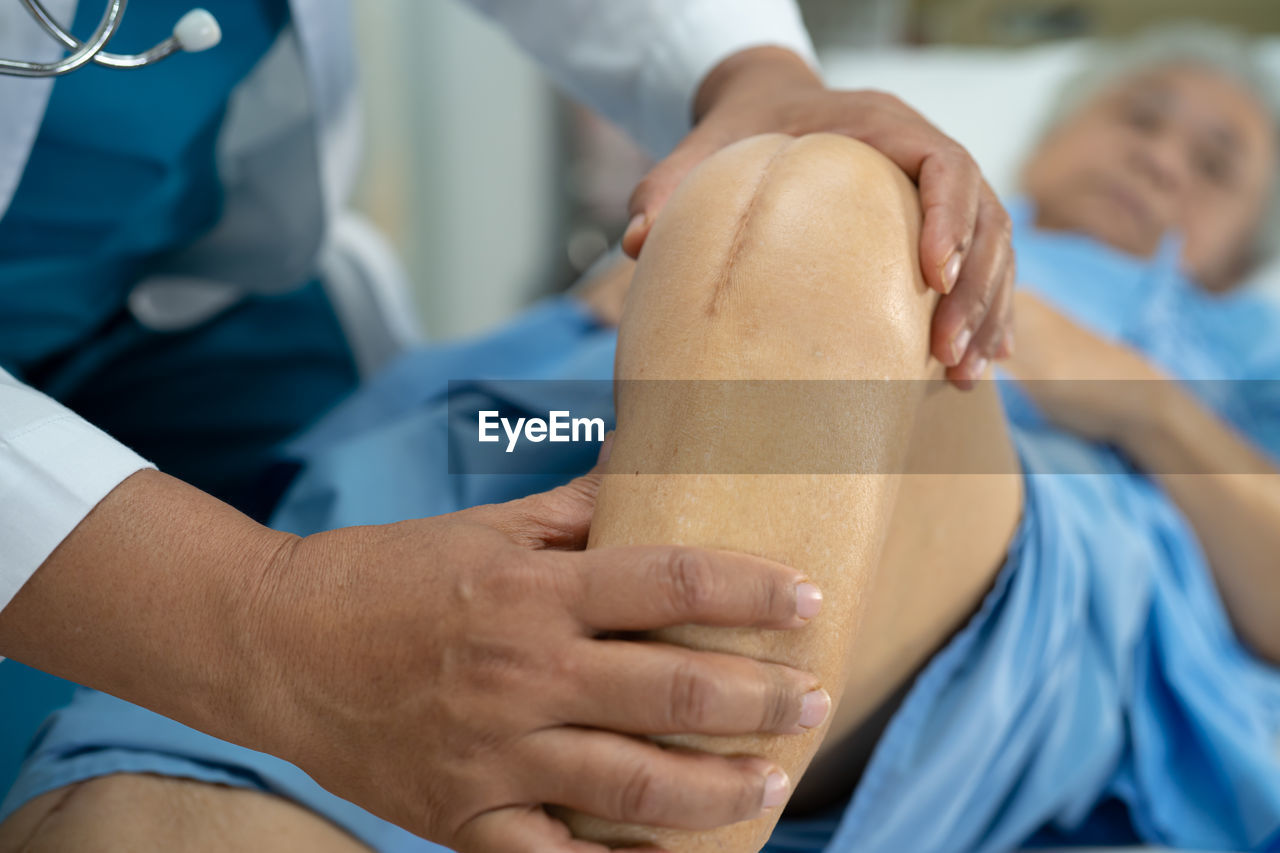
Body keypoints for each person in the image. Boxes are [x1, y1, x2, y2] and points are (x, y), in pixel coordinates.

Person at [3, 22, 1274, 853]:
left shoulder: (1213, 350)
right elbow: (512, 426)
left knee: (829, 207)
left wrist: (1134, 397)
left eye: (1213, 160)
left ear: (1242, 247)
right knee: (133, 831)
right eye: (1140, 116)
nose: (1161, 157)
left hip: (1002, 521)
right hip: (534, 438)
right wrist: (664, 314)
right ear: (1049, 139)